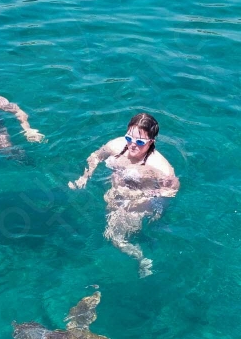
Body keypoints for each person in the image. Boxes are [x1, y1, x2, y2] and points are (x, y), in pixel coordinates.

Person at [68, 113, 180, 277]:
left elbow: (172, 188)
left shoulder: (158, 165)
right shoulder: (117, 145)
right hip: (115, 193)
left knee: (115, 238)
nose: (133, 145)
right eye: (129, 138)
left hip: (138, 201)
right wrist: (85, 177)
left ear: (151, 142)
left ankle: (142, 259)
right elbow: (95, 156)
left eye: (140, 142)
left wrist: (150, 197)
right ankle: (142, 240)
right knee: (110, 230)